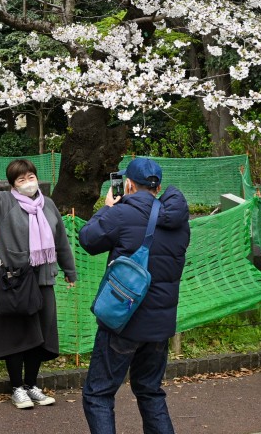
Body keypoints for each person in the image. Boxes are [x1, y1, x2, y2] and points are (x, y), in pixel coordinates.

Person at [0, 148, 77, 409]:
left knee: (41, 335)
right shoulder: (4, 203)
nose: (27, 182)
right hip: (16, 281)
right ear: (13, 184)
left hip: (44, 279)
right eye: (21, 179)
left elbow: (61, 241)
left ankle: (31, 384)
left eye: (30, 177)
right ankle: (17, 388)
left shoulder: (48, 205)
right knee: (17, 335)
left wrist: (69, 271)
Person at [78, 157, 190, 434]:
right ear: (158, 186)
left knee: (98, 394)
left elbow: (88, 239)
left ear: (128, 184)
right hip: (159, 325)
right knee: (150, 391)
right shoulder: (178, 220)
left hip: (123, 321)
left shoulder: (121, 214)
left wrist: (107, 208)